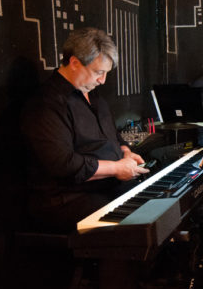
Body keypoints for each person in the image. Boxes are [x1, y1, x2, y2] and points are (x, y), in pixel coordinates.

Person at [22, 27, 149, 233]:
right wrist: (117, 168)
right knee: (135, 228)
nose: (103, 80)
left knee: (159, 204)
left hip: (106, 187)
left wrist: (125, 151)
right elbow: (63, 165)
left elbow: (112, 135)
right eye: (99, 72)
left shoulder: (93, 94)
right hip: (67, 200)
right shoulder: (46, 103)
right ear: (74, 63)